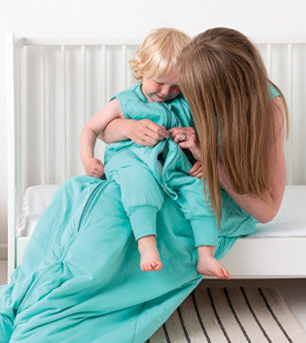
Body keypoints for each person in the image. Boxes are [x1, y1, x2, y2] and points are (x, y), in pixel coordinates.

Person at [0, 26, 287, 343]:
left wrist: (210, 160)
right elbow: (110, 128)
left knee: (103, 235)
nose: (184, 95)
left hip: (207, 199)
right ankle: (5, 318)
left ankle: (41, 339)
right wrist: (129, 128)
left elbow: (267, 208)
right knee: (75, 201)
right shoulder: (183, 87)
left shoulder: (268, 107)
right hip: (161, 179)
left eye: (196, 89)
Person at [78, 28, 228, 278]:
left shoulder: (187, 104)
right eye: (159, 82)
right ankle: (147, 245)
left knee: (202, 193)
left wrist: (205, 159)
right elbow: (91, 129)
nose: (166, 92)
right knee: (140, 187)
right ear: (141, 69)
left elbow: (209, 137)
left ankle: (206, 256)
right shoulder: (126, 101)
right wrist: (87, 159)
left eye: (176, 85)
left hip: (174, 167)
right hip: (132, 163)